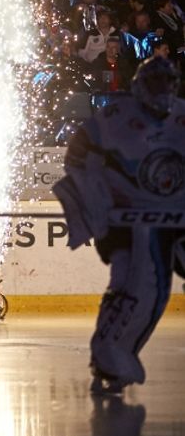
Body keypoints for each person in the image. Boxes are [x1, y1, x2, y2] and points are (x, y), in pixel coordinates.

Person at [52, 57, 185, 395]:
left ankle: (110, 355)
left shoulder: (181, 115)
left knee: (143, 287)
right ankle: (111, 355)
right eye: (156, 85)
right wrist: (97, 199)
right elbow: (77, 158)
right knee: (139, 283)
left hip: (170, 218)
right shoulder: (114, 117)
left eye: (167, 85)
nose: (162, 93)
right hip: (124, 220)